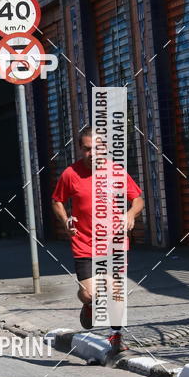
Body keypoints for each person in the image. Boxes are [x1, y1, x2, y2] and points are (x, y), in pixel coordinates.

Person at [52, 125, 144, 359]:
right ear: (80, 149)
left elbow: (138, 199)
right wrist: (66, 221)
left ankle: (116, 337)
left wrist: (130, 214)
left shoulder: (117, 172)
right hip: (84, 243)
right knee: (90, 294)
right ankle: (88, 306)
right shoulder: (70, 174)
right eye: (86, 149)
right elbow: (57, 201)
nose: (92, 154)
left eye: (97, 148)